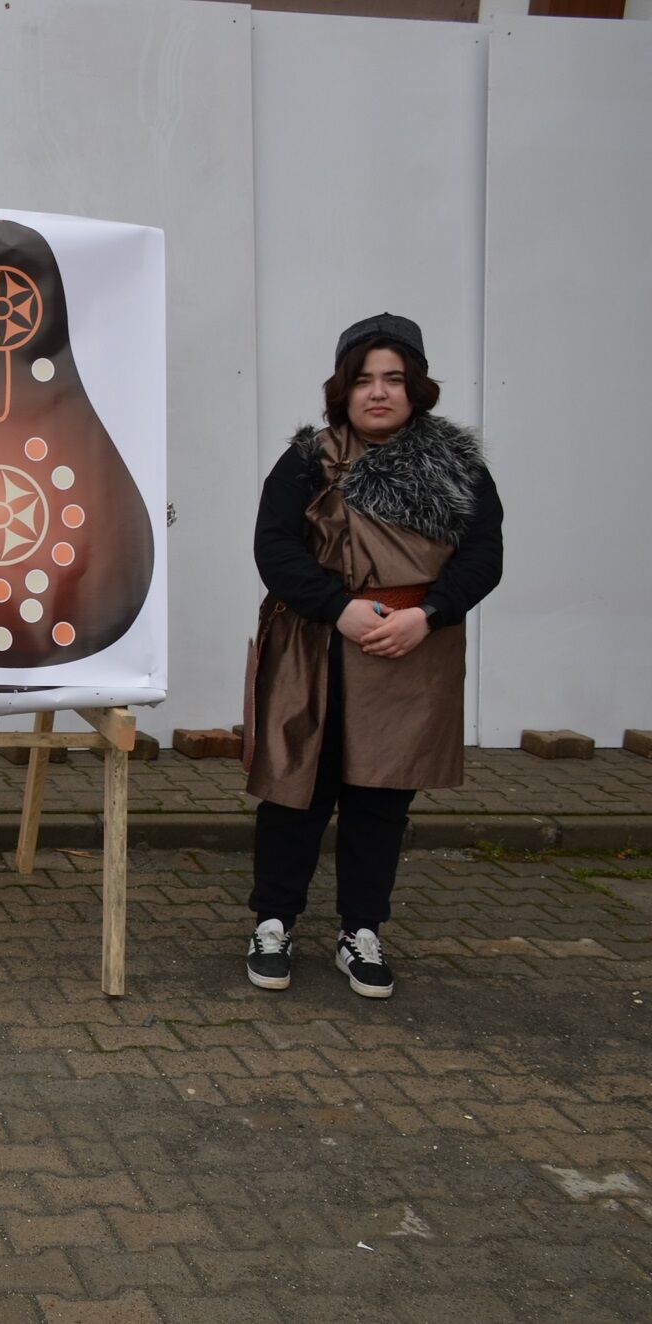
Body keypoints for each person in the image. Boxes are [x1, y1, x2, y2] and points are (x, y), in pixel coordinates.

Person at [244, 313, 502, 999]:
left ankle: (362, 931)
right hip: (317, 644)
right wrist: (340, 608)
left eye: (393, 378)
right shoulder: (310, 459)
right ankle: (273, 920)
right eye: (364, 380)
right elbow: (275, 549)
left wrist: (428, 616)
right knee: (295, 789)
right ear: (343, 389)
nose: (378, 392)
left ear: (416, 387)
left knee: (381, 798)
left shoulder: (459, 467)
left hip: (410, 650)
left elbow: (483, 558)